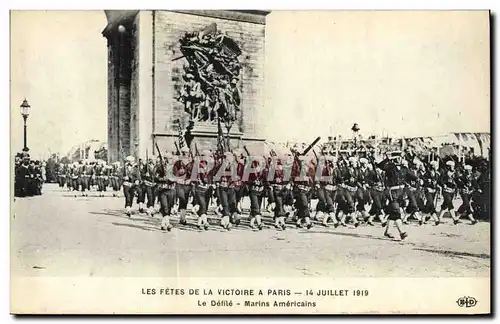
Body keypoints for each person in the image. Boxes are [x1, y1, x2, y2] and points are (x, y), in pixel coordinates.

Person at [379, 153, 408, 240]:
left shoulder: (403, 168)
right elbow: (380, 166)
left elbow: (410, 175)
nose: (400, 159)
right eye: (398, 158)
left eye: (400, 158)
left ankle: (387, 231)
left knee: (392, 213)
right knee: (396, 211)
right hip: (392, 191)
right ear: (394, 158)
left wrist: (418, 179)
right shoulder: (390, 167)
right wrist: (387, 159)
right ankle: (402, 232)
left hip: (401, 192)